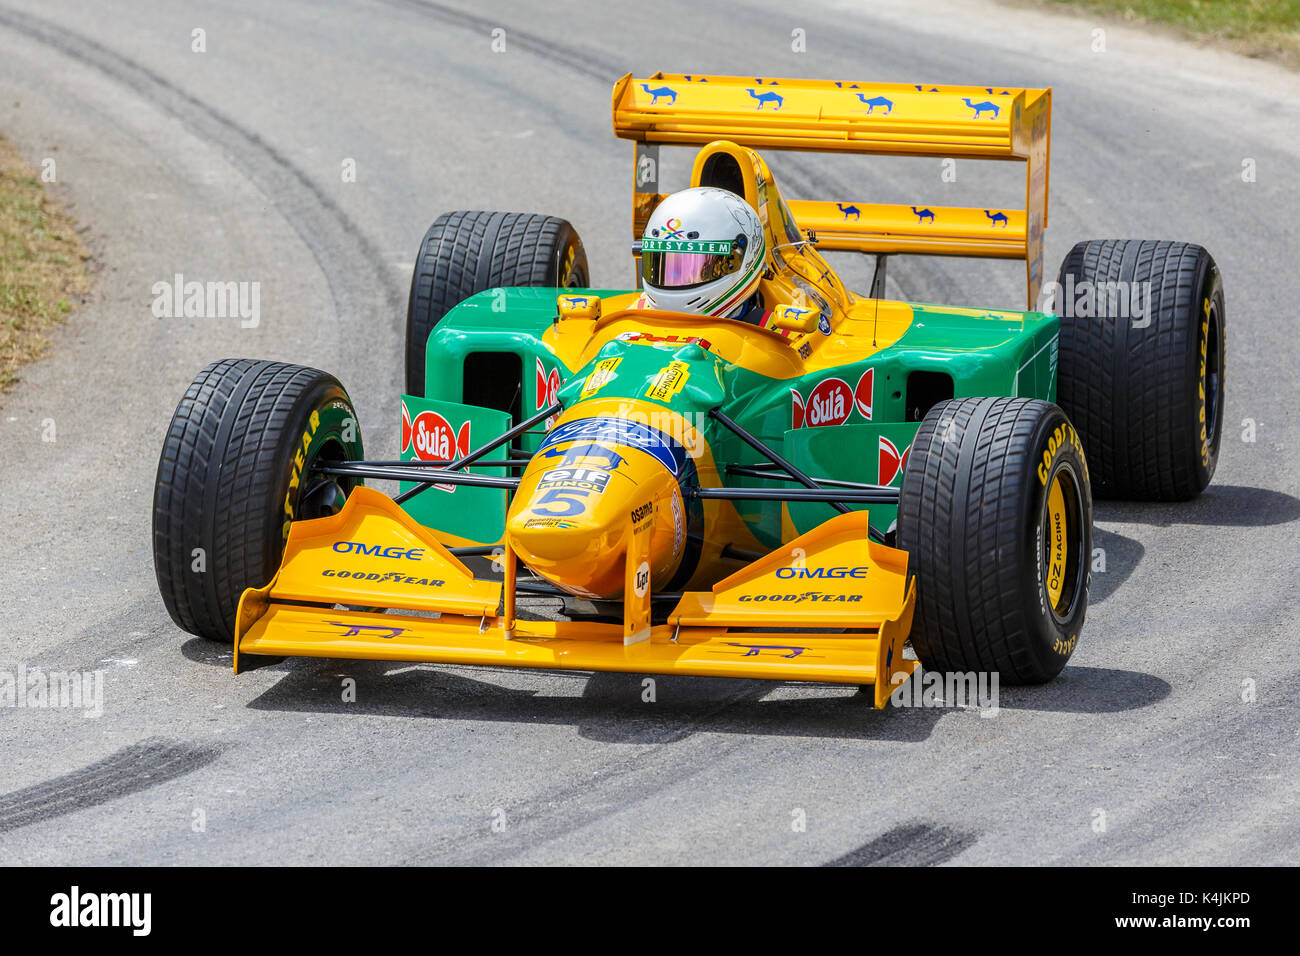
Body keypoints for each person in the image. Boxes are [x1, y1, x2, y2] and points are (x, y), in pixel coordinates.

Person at [637, 186, 768, 323]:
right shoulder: (627, 318)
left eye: (698, 268)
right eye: (663, 266)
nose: (675, 275)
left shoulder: (784, 336)